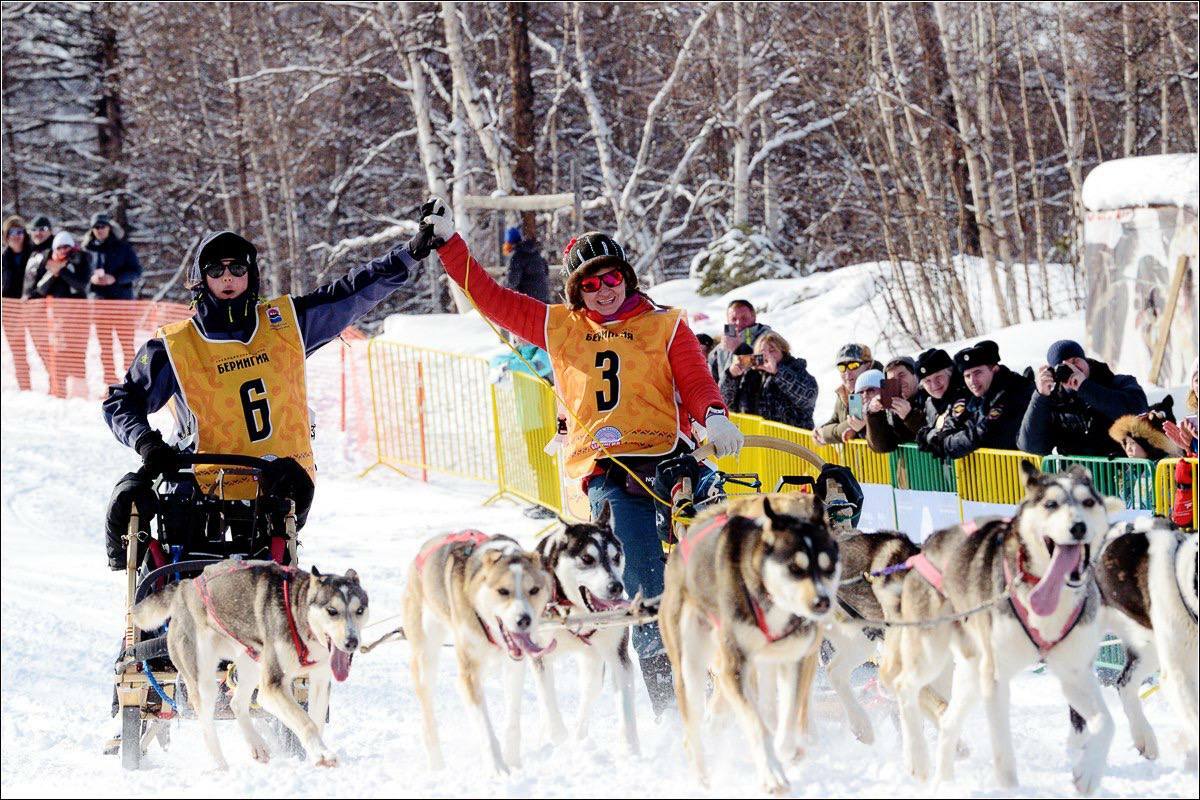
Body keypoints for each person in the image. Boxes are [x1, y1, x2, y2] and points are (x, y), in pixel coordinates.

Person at [423, 196, 742, 713]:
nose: (603, 291)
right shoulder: (559, 325)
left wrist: (715, 416)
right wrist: (448, 245)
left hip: (672, 458)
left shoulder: (667, 324)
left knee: (722, 542)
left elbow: (695, 378)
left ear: (626, 277)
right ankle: (672, 703)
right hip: (609, 473)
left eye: (611, 278)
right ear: (577, 291)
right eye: (590, 285)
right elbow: (490, 297)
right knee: (645, 583)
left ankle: (750, 647)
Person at [102, 225, 425, 565]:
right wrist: (147, 443)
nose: (228, 278)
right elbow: (121, 402)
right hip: (198, 486)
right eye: (216, 270)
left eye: (237, 268)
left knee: (266, 591)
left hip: (275, 486)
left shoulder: (284, 326)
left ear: (250, 275)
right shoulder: (176, 346)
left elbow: (350, 295)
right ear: (202, 279)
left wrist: (409, 253)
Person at [1017, 339, 1148, 458]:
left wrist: (1086, 387)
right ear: (1054, 373)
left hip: (1118, 474)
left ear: (1086, 360)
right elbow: (1031, 446)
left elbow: (1138, 411)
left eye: (1075, 361)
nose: (1072, 368)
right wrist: (1040, 397)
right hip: (1076, 478)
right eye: (1064, 366)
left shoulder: (1118, 383)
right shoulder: (1054, 400)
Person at [922, 340, 1033, 459]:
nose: (972, 381)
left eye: (977, 373)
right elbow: (966, 427)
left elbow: (983, 434)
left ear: (994, 370)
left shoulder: (1011, 390)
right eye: (967, 376)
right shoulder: (980, 397)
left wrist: (945, 444)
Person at [489, 335, 559, 518]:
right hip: (529, 420)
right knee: (536, 463)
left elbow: (538, 368)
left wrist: (510, 366)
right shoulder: (519, 355)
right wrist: (505, 364)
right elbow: (495, 360)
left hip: (545, 418)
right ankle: (545, 502)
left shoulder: (542, 353)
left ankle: (552, 504)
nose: (519, 338)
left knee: (546, 464)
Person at [26, 231, 92, 397]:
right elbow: (39, 289)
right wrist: (53, 273)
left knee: (77, 354)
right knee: (58, 355)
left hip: (78, 318)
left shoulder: (81, 259)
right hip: (57, 319)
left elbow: (81, 285)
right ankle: (58, 390)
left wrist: (62, 271)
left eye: (66, 247)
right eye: (60, 247)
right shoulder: (47, 261)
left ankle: (79, 393)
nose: (63, 250)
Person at [83, 212, 143, 385]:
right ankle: (110, 381)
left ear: (109, 227)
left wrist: (115, 278)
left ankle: (133, 381)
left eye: (102, 226)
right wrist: (91, 279)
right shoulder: (88, 249)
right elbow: (81, 275)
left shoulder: (122, 247)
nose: (99, 230)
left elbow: (136, 271)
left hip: (121, 304)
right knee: (105, 347)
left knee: (126, 344)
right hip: (99, 305)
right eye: (96, 227)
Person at [719, 331, 818, 429]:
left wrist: (778, 372)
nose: (767, 355)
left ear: (783, 352)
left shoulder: (796, 369)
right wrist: (731, 376)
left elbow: (809, 396)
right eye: (762, 352)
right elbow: (724, 403)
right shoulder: (749, 374)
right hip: (754, 440)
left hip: (789, 442)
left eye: (772, 350)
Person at [814, 343, 874, 444]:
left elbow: (853, 422)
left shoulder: (874, 389)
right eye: (842, 367)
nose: (847, 372)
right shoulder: (845, 391)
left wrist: (825, 434)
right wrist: (819, 432)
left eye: (853, 365)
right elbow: (836, 419)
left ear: (868, 366)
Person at [865, 356, 925, 453]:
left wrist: (909, 416)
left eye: (901, 375)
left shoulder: (929, 396)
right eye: (892, 380)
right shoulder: (890, 407)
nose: (898, 382)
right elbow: (883, 446)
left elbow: (935, 435)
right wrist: (874, 415)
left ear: (915, 374)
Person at [913, 347, 966, 456]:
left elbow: (952, 429)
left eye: (938, 377)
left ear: (950, 373)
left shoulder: (963, 395)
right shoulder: (930, 403)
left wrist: (929, 436)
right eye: (927, 381)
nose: (934, 384)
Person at [2, 216, 35, 390]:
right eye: (12, 232)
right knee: (18, 350)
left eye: (20, 232)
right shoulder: (4, 257)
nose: (16, 236)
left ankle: (56, 388)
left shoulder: (33, 253)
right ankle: (25, 387)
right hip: (10, 311)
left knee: (42, 348)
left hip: (33, 309)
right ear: (6, 235)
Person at [708, 299, 772, 382]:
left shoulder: (768, 337)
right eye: (733, 319)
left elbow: (768, 361)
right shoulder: (722, 344)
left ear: (753, 316)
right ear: (728, 320)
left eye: (744, 318)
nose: (738, 322)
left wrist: (739, 349)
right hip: (727, 392)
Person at [502, 225, 550, 303]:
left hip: (529, 302)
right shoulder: (535, 252)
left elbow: (512, 281)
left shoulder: (517, 256)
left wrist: (502, 285)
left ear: (509, 242)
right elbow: (546, 270)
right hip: (544, 300)